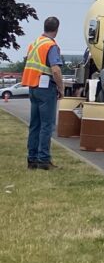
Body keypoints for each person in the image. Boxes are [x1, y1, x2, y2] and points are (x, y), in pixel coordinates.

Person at [22, 17, 65, 170]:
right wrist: (61, 88)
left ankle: (32, 159)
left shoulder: (34, 43)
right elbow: (55, 69)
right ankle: (44, 160)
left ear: (45, 27)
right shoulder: (51, 46)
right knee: (47, 125)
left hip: (33, 87)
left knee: (35, 125)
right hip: (46, 89)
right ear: (57, 29)